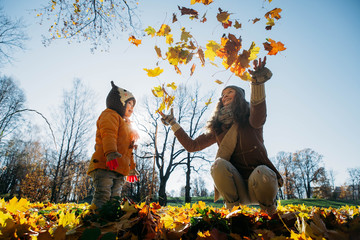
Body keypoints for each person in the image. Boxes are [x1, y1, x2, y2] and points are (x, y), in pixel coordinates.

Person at [161, 57, 283, 214]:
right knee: (218, 164)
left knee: (263, 171)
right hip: (237, 187)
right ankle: (234, 212)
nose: (224, 96)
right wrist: (173, 124)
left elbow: (258, 114)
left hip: (259, 183)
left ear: (239, 97)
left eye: (229, 92)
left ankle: (269, 214)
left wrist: (257, 83)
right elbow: (192, 146)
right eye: (223, 95)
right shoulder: (218, 128)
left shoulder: (250, 119)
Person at [87, 81, 139, 209]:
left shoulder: (127, 125)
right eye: (129, 103)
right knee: (103, 195)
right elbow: (108, 134)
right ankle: (96, 219)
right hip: (105, 164)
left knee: (115, 198)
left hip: (119, 169)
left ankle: (110, 220)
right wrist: (110, 153)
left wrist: (131, 168)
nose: (132, 108)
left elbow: (129, 150)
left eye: (133, 105)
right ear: (119, 102)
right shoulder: (110, 115)